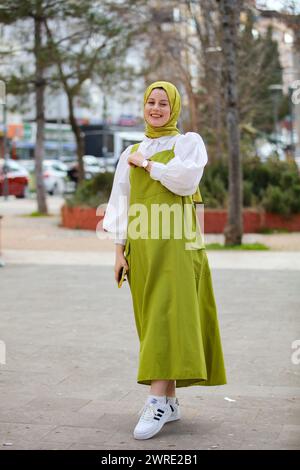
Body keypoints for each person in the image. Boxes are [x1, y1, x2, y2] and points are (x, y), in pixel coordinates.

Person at [103, 80, 227, 440]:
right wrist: (118, 252)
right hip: (142, 249)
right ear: (144, 106)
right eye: (150, 102)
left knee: (166, 317)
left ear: (174, 108)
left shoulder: (188, 144)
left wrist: (149, 165)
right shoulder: (130, 150)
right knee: (153, 320)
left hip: (178, 247)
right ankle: (169, 402)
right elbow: (119, 203)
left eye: (163, 103)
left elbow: (185, 181)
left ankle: (155, 399)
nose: (156, 108)